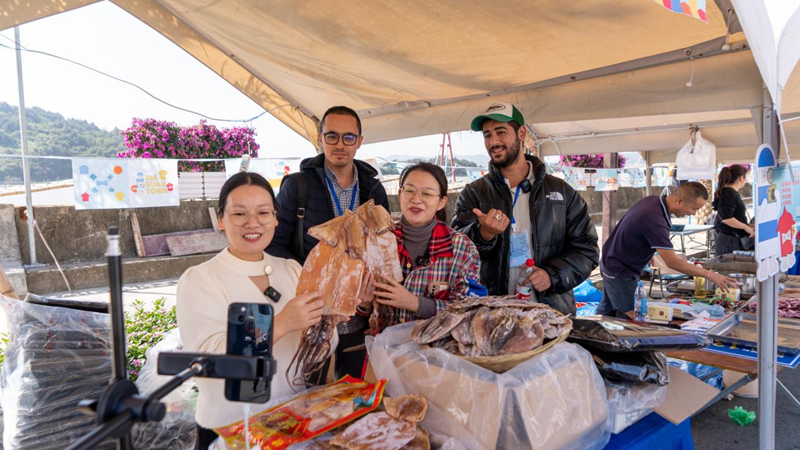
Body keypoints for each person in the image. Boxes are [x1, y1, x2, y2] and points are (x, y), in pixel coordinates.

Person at [177, 172, 349, 449]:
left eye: (263, 212)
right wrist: (280, 324)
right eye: (239, 213)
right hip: (231, 430)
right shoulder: (200, 279)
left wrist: (326, 325)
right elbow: (208, 362)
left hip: (291, 421)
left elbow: (315, 355)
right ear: (220, 219)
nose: (253, 222)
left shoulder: (291, 270)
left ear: (276, 218)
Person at [267, 106, 389, 381]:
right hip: (312, 312)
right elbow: (274, 245)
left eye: (348, 137)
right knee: (306, 389)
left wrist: (369, 289)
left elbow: (381, 247)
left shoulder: (374, 189)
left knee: (352, 391)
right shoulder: (297, 186)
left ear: (359, 141)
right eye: (332, 136)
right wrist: (314, 276)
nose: (340, 144)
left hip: (358, 313)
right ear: (320, 138)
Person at [452, 103, 599, 315]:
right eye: (487, 135)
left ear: (521, 133)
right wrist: (483, 234)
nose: (493, 142)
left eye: (501, 132)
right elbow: (455, 252)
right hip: (491, 313)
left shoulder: (561, 191)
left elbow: (587, 249)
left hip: (550, 313)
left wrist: (552, 276)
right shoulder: (473, 193)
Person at [357, 162, 483, 329]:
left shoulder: (463, 249)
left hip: (436, 345)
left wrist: (416, 303)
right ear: (400, 194)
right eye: (409, 190)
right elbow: (368, 311)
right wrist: (365, 304)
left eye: (427, 193)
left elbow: (470, 312)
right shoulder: (378, 241)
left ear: (441, 202)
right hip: (385, 344)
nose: (416, 199)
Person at [599, 182, 736, 316]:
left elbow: (636, 230)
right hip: (620, 269)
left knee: (606, 313)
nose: (693, 214)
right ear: (680, 201)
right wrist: (709, 275)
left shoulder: (653, 201)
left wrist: (649, 252)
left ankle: (590, 327)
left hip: (611, 260)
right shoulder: (654, 219)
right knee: (632, 315)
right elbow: (673, 263)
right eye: (694, 209)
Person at [712, 164, 754, 255]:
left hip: (732, 239)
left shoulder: (730, 192)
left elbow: (733, 216)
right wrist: (746, 227)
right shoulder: (729, 193)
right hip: (728, 241)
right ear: (741, 177)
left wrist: (748, 225)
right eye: (745, 177)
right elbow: (727, 218)